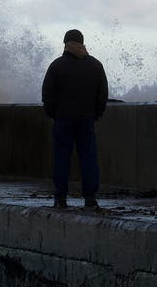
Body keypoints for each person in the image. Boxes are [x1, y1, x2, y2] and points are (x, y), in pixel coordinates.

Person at [42, 29, 108, 209]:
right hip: (86, 119)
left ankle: (60, 199)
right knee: (88, 158)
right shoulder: (96, 65)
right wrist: (96, 114)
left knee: (61, 158)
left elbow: (47, 95)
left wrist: (53, 114)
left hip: (63, 119)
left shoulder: (57, 65)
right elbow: (102, 95)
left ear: (66, 43)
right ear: (82, 43)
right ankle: (90, 199)